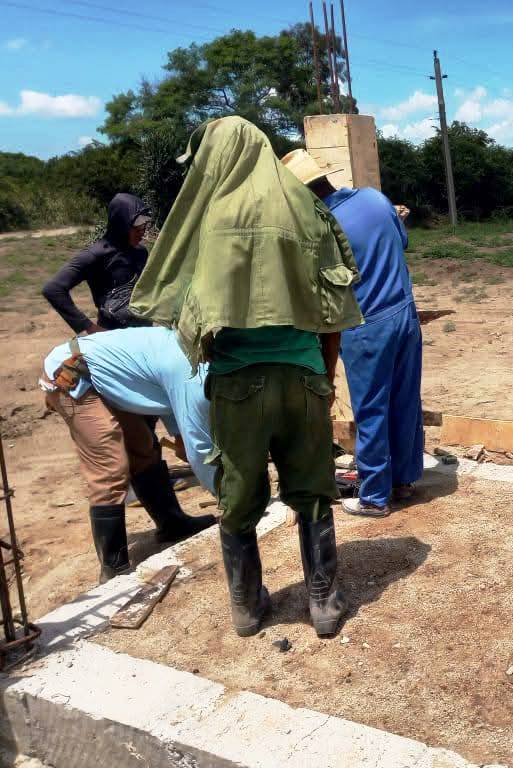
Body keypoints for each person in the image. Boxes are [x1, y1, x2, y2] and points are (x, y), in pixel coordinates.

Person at [129, 117, 364, 639]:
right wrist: (322, 379)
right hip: (303, 377)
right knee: (313, 490)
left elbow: (189, 306)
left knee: (238, 496)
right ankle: (322, 603)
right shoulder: (307, 207)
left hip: (236, 383)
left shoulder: (210, 213)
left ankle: (246, 606)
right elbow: (335, 305)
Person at [282, 149, 424, 519]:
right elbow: (401, 244)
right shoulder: (375, 199)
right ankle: (404, 480)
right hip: (405, 315)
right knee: (405, 399)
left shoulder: (320, 227)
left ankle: (375, 497)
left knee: (371, 409)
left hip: (366, 327)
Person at [40, 327, 216, 583]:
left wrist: (186, 443)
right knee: (110, 464)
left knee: (142, 448)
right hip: (71, 373)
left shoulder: (189, 359)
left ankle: (172, 524)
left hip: (102, 377)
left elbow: (184, 438)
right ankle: (114, 566)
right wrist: (227, 494)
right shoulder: (190, 370)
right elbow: (198, 448)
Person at [43, 193, 152, 334]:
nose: (142, 232)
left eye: (144, 225)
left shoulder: (141, 252)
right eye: (137, 227)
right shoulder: (95, 255)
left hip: (145, 333)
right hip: (112, 337)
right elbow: (53, 289)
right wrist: (88, 327)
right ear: (121, 224)